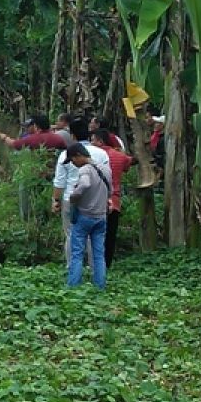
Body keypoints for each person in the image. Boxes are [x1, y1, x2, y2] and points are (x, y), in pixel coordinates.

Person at [52, 118, 110, 264]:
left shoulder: (66, 154)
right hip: (96, 200)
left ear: (72, 135)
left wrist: (56, 201)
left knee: (71, 235)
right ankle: (94, 268)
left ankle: (72, 268)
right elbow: (108, 176)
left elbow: (60, 182)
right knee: (94, 236)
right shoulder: (101, 153)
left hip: (71, 199)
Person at [66, 142, 110, 290]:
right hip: (101, 217)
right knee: (98, 254)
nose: (73, 164)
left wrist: (73, 196)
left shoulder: (85, 169)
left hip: (85, 216)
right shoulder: (105, 168)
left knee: (77, 253)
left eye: (73, 160)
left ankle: (73, 286)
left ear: (79, 155)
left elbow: (84, 184)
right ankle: (100, 286)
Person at [91, 128, 134, 267]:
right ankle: (106, 264)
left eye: (93, 140)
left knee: (93, 234)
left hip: (93, 201)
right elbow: (130, 163)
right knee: (110, 235)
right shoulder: (120, 156)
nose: (91, 143)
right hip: (113, 201)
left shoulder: (91, 155)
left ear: (100, 141)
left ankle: (93, 263)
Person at [0, 114, 68, 151]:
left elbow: (14, 144)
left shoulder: (33, 139)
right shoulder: (58, 138)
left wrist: (3, 136)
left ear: (36, 126)